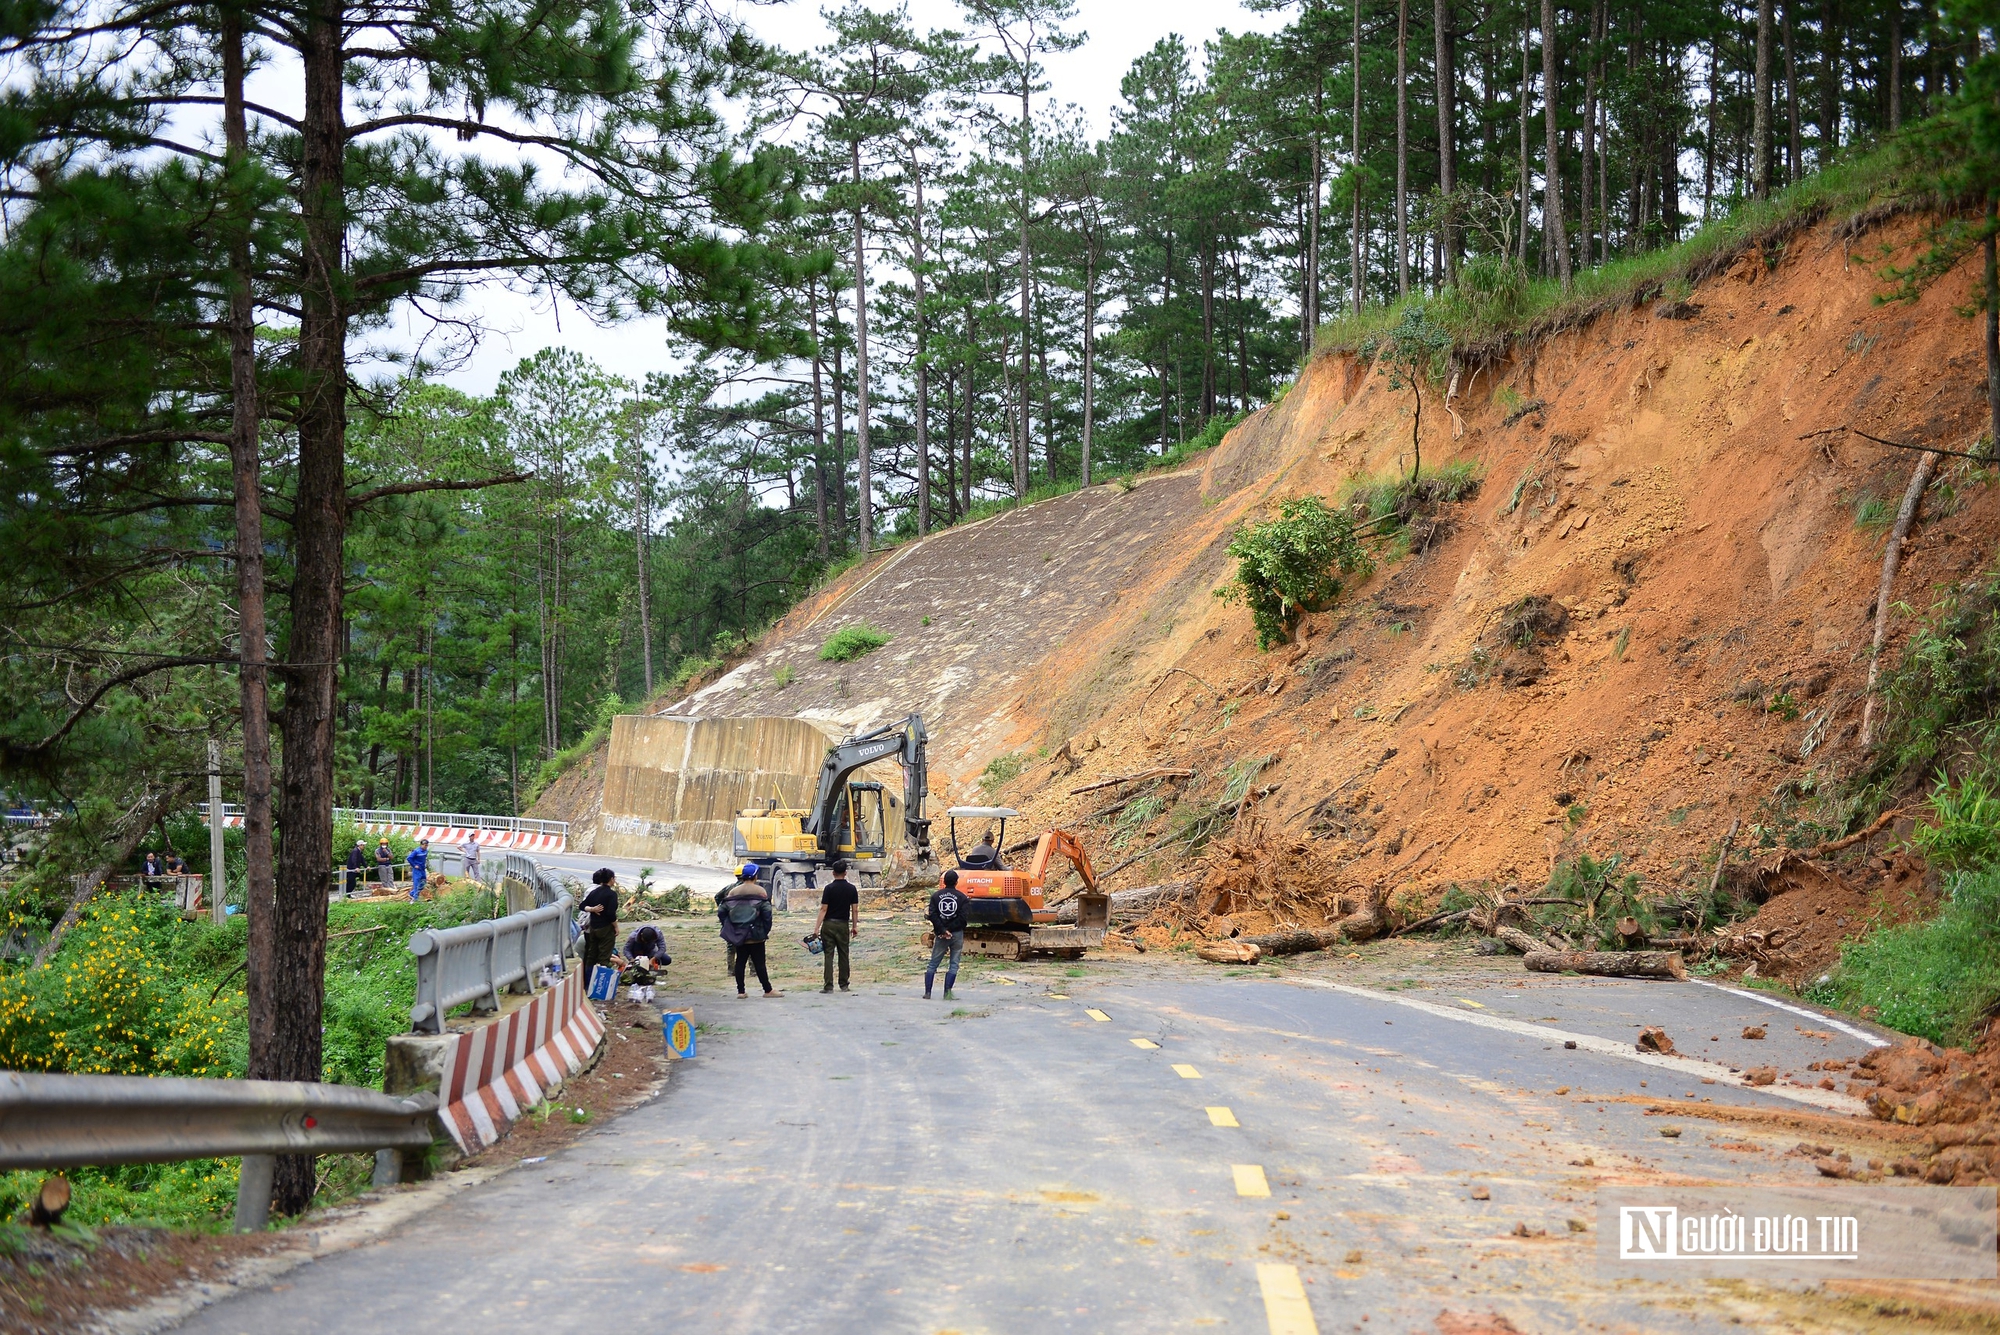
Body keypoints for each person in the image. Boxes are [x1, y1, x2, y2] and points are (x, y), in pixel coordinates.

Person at [717, 863, 778, 999]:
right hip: (756, 934)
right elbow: (767, 913)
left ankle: (741, 992)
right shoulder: (760, 891)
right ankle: (767, 990)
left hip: (739, 934)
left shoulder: (733, 892)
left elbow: (722, 911)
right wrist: (764, 931)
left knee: (740, 962)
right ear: (755, 876)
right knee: (760, 963)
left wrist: (729, 926)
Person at [813, 859, 860, 994]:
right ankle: (844, 984)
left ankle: (828, 986)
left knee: (829, 955)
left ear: (833, 873)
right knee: (843, 954)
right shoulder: (852, 889)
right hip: (843, 925)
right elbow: (855, 909)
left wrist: (816, 928)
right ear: (846, 873)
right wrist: (855, 926)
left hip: (828, 924)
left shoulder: (829, 889)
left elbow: (823, 909)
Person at [924, 870, 969, 1001]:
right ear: (956, 882)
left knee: (933, 964)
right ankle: (947, 993)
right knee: (954, 964)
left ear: (943, 882)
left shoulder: (935, 896)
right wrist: (950, 930)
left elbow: (932, 915)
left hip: (941, 935)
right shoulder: (962, 898)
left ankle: (928, 993)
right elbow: (963, 919)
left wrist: (943, 930)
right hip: (956, 935)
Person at [579, 868, 620, 983]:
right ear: (611, 879)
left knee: (591, 956)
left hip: (593, 928)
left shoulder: (594, 892)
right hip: (605, 928)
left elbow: (582, 906)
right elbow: (611, 913)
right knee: (604, 957)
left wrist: (592, 909)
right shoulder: (611, 894)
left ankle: (587, 983)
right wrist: (616, 926)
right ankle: (601, 985)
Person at [620, 922, 672, 1003]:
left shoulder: (657, 933)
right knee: (639, 965)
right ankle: (640, 970)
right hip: (637, 951)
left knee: (667, 960)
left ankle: (650, 969)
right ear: (641, 935)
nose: (646, 942)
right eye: (645, 941)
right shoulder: (633, 936)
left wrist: (654, 958)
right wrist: (631, 959)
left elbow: (662, 948)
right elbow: (626, 949)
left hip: (650, 951)